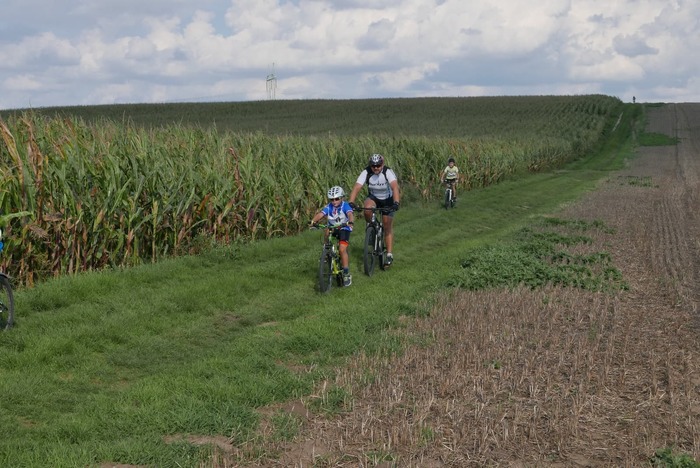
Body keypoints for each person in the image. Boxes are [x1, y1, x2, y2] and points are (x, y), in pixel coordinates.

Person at [348, 153, 400, 266]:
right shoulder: (366, 172)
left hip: (387, 199)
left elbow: (395, 187)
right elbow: (357, 187)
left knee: (387, 225)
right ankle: (372, 227)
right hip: (374, 198)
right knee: (367, 209)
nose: (376, 168)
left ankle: (389, 254)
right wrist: (351, 202)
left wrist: (396, 202)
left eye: (378, 165)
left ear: (382, 164)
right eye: (373, 166)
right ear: (370, 166)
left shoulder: (387, 172)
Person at [310, 186, 355, 286]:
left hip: (344, 228)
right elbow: (321, 214)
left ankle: (346, 273)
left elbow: (350, 214)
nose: (334, 201)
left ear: (342, 198)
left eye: (337, 199)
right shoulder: (329, 207)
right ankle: (326, 250)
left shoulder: (345, 205)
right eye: (332, 199)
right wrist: (313, 221)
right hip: (333, 227)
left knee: (342, 249)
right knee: (326, 230)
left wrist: (351, 221)